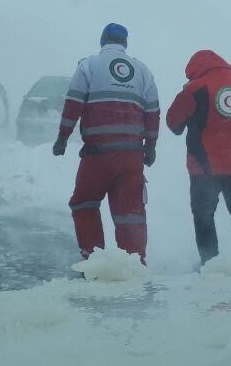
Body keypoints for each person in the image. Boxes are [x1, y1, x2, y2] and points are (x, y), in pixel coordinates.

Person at [53, 23, 160, 263]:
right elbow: (152, 111)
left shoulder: (88, 66)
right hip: (132, 156)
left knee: (84, 203)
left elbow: (73, 104)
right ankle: (134, 262)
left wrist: (62, 138)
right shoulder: (143, 70)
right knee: (130, 213)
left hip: (98, 155)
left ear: (103, 40)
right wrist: (151, 146)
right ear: (125, 44)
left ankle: (94, 258)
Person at [165, 49, 231, 270]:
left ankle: (210, 262)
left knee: (204, 216)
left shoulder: (195, 89)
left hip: (204, 169)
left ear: (194, 70)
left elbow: (173, 123)